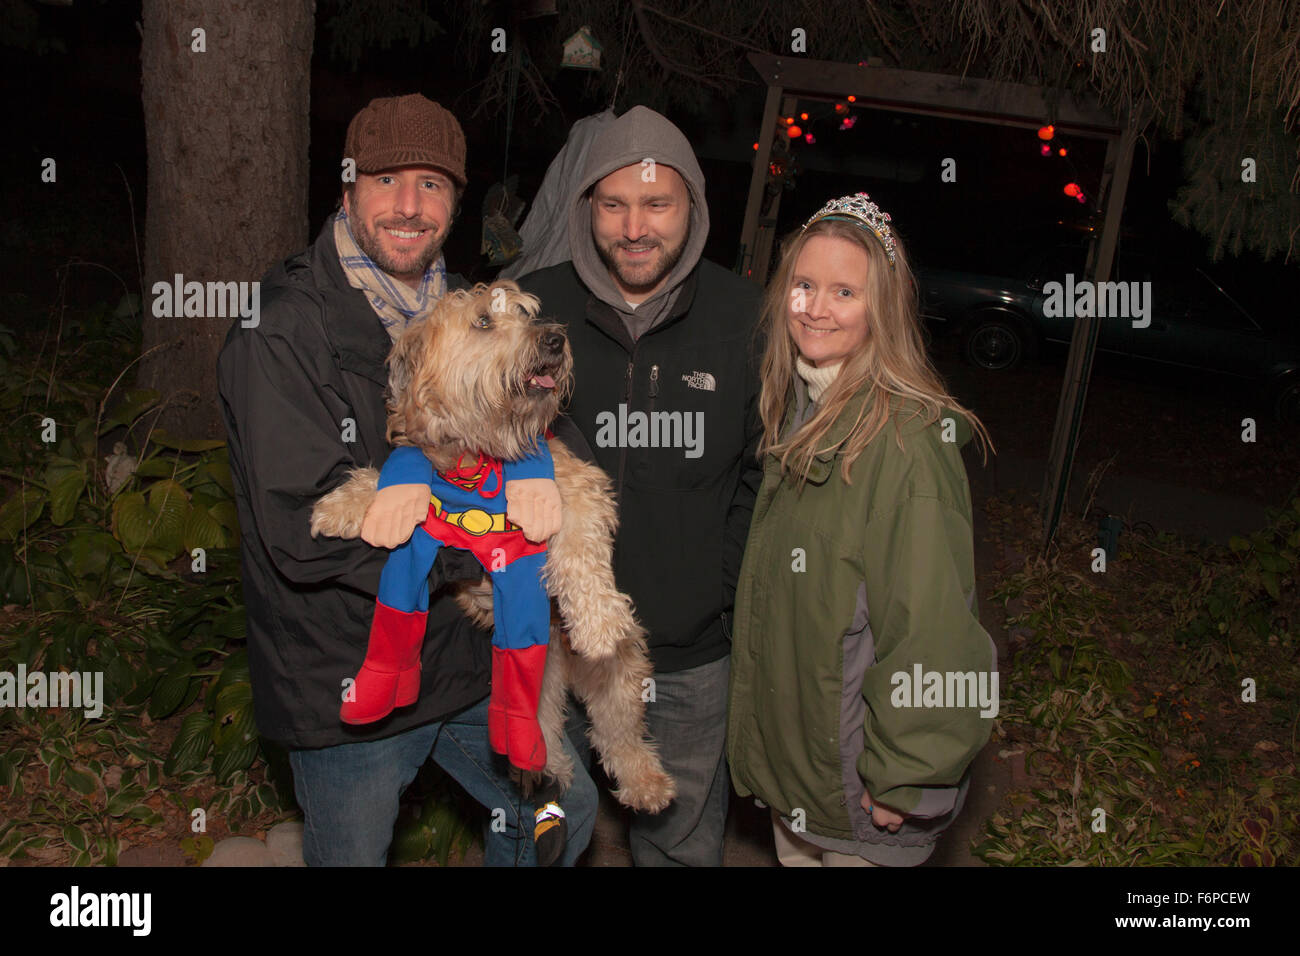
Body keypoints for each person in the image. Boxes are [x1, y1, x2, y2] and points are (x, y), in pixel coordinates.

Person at [216, 93, 596, 866]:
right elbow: (301, 530)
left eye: (432, 184)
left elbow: (543, 410)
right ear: (348, 190)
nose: (408, 205)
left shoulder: (470, 308)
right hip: (345, 681)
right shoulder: (283, 329)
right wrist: (491, 545)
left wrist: (543, 469)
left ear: (456, 204)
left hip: (462, 667)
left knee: (560, 814)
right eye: (386, 180)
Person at [516, 106, 765, 866]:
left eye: (657, 204)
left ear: (692, 206)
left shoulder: (746, 316)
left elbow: (764, 474)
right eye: (614, 204)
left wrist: (712, 591)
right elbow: (472, 447)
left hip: (688, 653)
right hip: (547, 640)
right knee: (542, 832)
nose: (634, 227)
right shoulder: (531, 307)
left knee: (680, 841)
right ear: (586, 206)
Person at [726, 192, 997, 866]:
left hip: (863, 792)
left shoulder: (906, 443)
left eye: (845, 291)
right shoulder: (802, 407)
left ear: (883, 308)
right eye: (804, 285)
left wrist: (909, 775)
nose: (817, 307)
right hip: (806, 784)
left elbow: (933, 629)